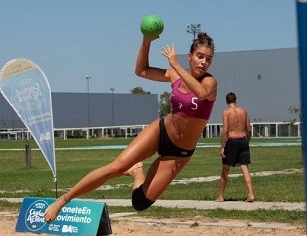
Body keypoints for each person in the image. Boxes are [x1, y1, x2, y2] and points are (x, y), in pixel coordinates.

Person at [44, 31, 217, 221]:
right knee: (115, 168)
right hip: (160, 131)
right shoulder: (174, 75)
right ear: (191, 56)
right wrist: (146, 41)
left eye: (208, 59)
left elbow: (200, 93)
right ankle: (63, 200)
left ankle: (137, 172)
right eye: (200, 56)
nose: (203, 62)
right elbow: (141, 70)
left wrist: (175, 64)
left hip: (179, 153)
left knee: (140, 202)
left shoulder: (210, 82)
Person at [216, 92, 255, 202]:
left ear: (226, 101)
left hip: (232, 141)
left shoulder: (226, 112)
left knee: (225, 170)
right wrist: (247, 140)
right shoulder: (244, 111)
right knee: (245, 168)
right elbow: (249, 128)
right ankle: (251, 194)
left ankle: (221, 196)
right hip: (243, 140)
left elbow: (225, 130)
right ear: (236, 101)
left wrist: (222, 146)